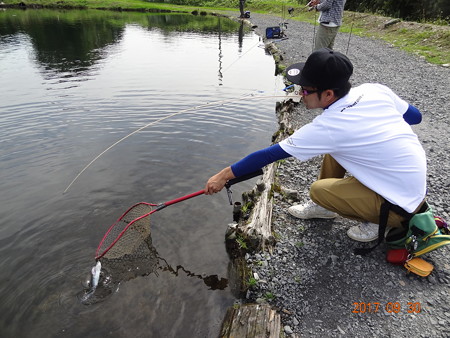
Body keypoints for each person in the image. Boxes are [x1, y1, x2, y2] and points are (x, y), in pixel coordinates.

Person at [205, 48, 425, 243]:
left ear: (328, 94)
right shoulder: (374, 90)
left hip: (398, 205)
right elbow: (415, 117)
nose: (300, 94)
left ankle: (380, 223)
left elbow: (267, 156)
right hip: (407, 184)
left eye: (306, 90)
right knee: (335, 149)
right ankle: (328, 209)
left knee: (318, 191)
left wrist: (223, 176)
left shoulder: (329, 127)